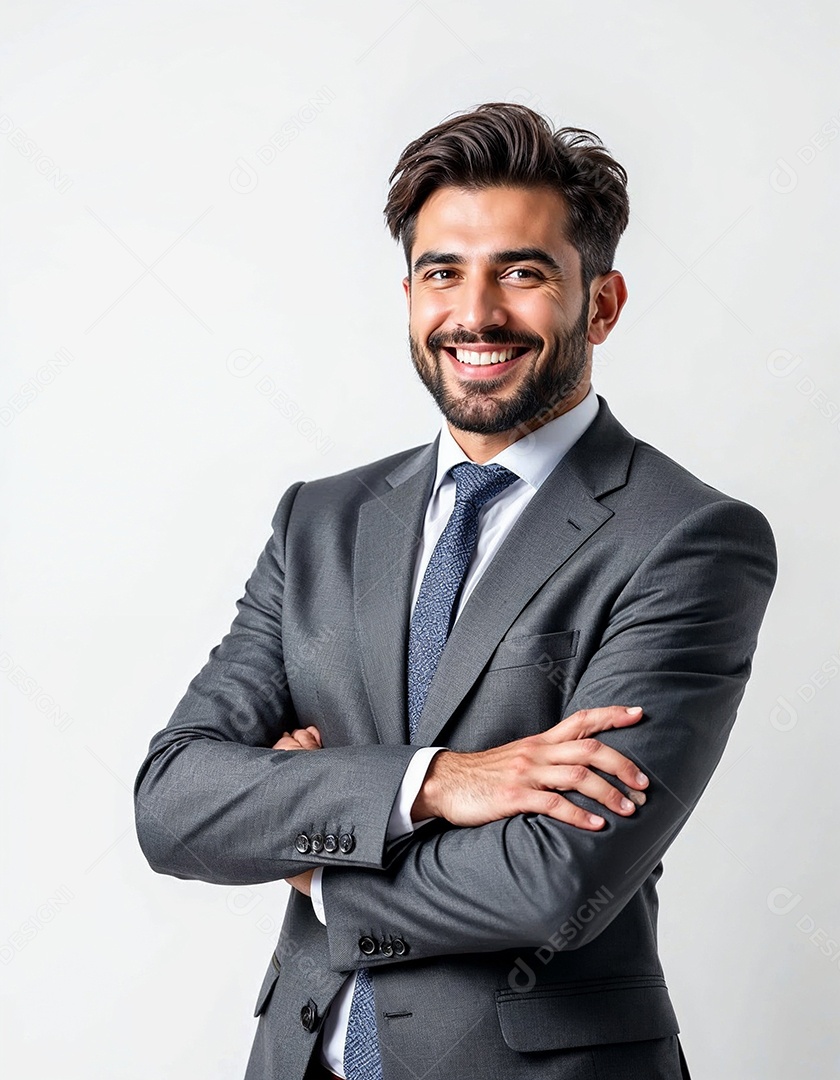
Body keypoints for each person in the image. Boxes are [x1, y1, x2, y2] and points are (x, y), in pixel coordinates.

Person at [133, 102, 777, 1080]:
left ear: (600, 305)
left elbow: (554, 884)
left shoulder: (688, 539)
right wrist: (433, 782)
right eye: (444, 272)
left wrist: (314, 862)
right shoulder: (320, 523)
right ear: (408, 295)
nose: (474, 312)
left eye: (522, 272)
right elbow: (173, 801)